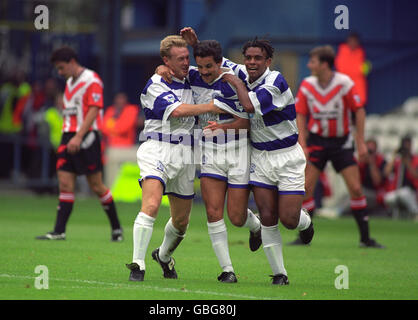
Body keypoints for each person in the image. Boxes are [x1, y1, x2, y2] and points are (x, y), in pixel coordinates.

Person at [182, 28, 314, 285]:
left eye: (258, 58)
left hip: (287, 156)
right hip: (260, 156)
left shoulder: (275, 81)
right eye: (248, 58)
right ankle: (280, 274)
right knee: (266, 214)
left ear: (268, 61)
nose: (252, 62)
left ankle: (305, 221)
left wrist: (235, 82)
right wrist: (196, 45)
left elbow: (249, 106)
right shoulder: (240, 72)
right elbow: (213, 61)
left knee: (288, 218)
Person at [157, 38, 262, 283]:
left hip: (238, 150)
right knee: (213, 212)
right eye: (200, 66)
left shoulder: (237, 74)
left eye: (209, 67)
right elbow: (168, 70)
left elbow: (253, 111)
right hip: (209, 151)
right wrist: (160, 69)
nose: (203, 72)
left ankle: (255, 226)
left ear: (220, 62)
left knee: (236, 216)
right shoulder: (192, 75)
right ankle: (228, 270)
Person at [125, 35, 225, 282]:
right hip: (157, 149)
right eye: (179, 59)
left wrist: (197, 44)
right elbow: (178, 111)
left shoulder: (193, 76)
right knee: (151, 204)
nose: (185, 63)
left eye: (186, 58)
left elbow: (220, 64)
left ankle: (164, 255)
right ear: (165, 61)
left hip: (186, 154)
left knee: (181, 222)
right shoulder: (156, 83)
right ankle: (138, 264)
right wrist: (212, 106)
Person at [294, 45, 384, 248]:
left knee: (355, 188)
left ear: (324, 64)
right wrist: (303, 141)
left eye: (313, 62)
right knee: (307, 189)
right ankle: (304, 237)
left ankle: (365, 239)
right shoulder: (307, 85)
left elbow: (359, 111)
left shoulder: (344, 83)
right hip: (317, 141)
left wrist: (360, 142)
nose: (309, 65)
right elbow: (300, 113)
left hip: (341, 143)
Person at [36, 46, 123, 242]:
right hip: (68, 136)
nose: (59, 72)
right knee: (65, 183)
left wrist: (79, 136)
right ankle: (59, 231)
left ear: (72, 62)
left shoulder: (91, 80)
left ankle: (116, 228)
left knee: (97, 185)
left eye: (61, 68)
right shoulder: (68, 82)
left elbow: (94, 109)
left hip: (86, 137)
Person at [102, 92, 140, 188]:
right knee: (109, 158)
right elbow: (103, 128)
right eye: (118, 99)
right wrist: (115, 128)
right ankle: (110, 189)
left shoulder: (132, 109)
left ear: (125, 101)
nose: (120, 102)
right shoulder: (111, 110)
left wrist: (112, 129)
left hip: (127, 148)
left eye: (122, 99)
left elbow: (124, 128)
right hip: (111, 148)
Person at [383, 136, 418, 218]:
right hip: (397, 191)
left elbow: (416, 175)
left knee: (404, 193)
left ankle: (415, 212)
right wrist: (394, 156)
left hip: (411, 191)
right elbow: (386, 173)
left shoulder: (415, 159)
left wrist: (407, 162)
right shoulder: (397, 161)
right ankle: (392, 214)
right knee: (388, 198)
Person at [335, 32, 369, 107]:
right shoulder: (342, 51)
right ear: (348, 41)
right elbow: (341, 68)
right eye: (351, 41)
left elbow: (363, 70)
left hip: (358, 86)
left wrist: (363, 70)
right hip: (344, 85)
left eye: (355, 41)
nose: (353, 43)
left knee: (358, 106)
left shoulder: (361, 52)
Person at [357, 138, 388, 215]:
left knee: (358, 195)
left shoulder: (381, 161)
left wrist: (371, 163)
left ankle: (338, 211)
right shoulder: (361, 162)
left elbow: (377, 182)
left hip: (375, 194)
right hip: (363, 191)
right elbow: (355, 181)